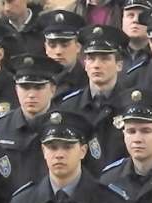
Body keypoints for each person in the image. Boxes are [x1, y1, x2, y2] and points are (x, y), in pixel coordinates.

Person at [0, 54, 63, 203]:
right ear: (16, 89)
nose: (31, 94)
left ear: (52, 89)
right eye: (25, 87)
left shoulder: (69, 128)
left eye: (38, 87)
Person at [56, 24, 131, 172]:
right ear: (84, 64)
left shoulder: (131, 104)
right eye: (91, 59)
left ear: (119, 65)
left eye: (105, 59)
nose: (97, 65)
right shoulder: (69, 106)